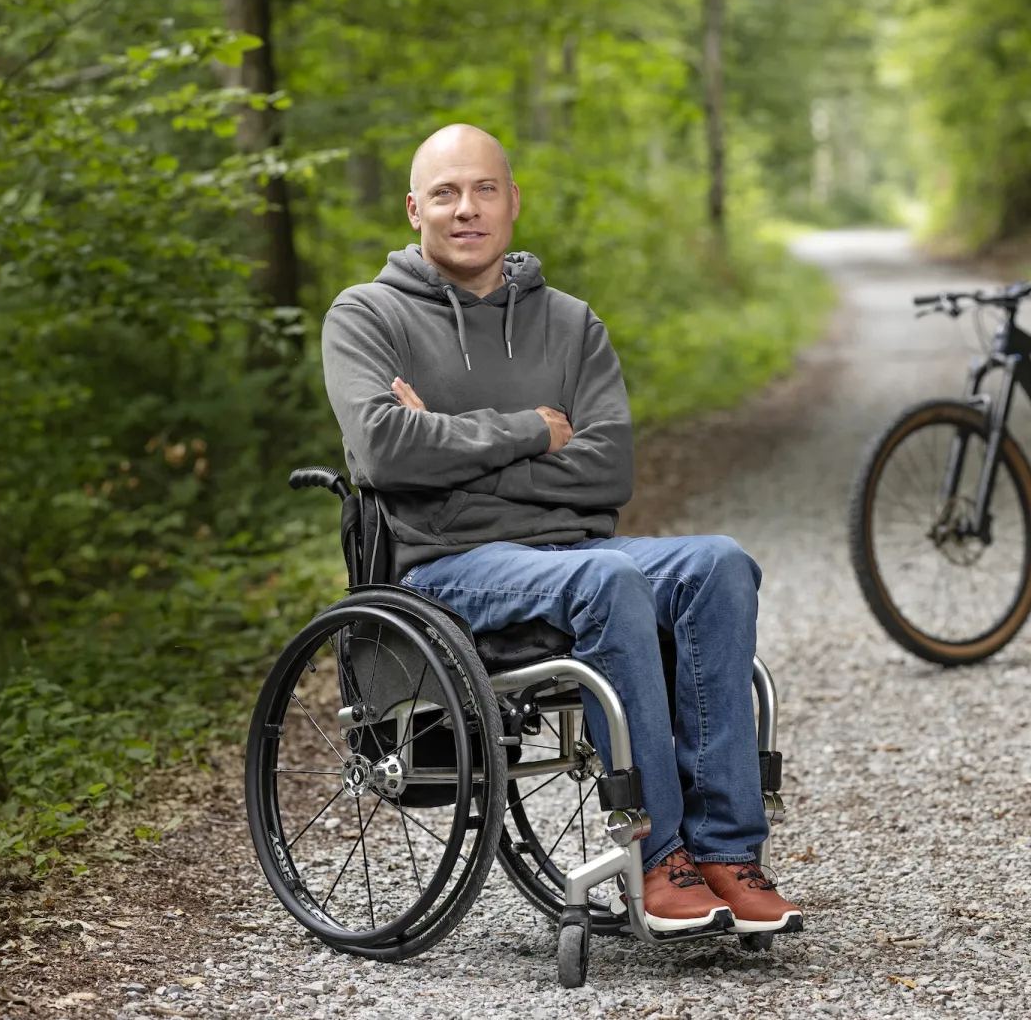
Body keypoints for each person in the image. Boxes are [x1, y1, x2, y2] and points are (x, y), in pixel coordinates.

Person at [318, 123, 801, 938]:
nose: (465, 208)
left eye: (483, 189)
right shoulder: (367, 317)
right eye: (445, 193)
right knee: (608, 580)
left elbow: (609, 471)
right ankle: (658, 857)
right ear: (413, 209)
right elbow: (384, 451)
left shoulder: (571, 323)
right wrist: (534, 430)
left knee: (718, 562)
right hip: (446, 567)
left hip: (572, 553)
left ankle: (727, 852)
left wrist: (450, 442)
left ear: (513, 201)